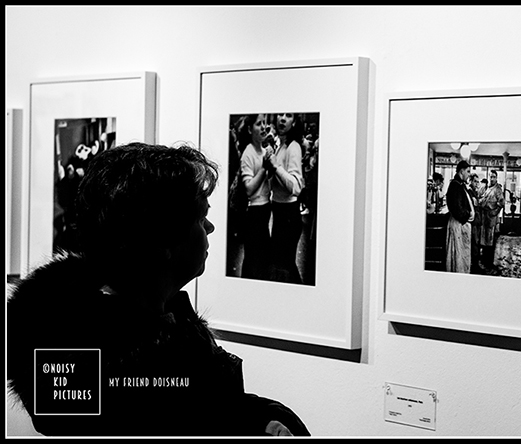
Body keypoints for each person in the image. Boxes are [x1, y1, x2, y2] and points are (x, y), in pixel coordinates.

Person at [7, 142, 310, 437]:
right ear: (163, 239)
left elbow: (210, 408)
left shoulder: (158, 319)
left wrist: (260, 419)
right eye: (199, 217)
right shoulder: (101, 362)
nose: (210, 228)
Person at [265, 113, 305, 284]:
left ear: (294, 122)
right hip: (281, 212)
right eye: (280, 115)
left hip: (288, 214)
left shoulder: (293, 147)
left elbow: (295, 187)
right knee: (281, 264)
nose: (282, 118)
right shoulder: (282, 145)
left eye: (288, 116)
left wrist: (275, 165)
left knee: (285, 265)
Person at [239, 114, 275, 281]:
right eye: (259, 124)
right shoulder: (248, 153)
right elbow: (249, 189)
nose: (263, 127)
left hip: (264, 208)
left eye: (265, 124)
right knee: (254, 258)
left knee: (264, 255)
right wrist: (264, 168)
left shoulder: (262, 150)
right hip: (254, 211)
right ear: (249, 129)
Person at [445, 161, 475, 273]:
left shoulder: (460, 185)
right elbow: (456, 209)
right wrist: (467, 216)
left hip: (461, 224)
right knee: (458, 256)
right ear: (461, 171)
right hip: (458, 225)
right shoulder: (455, 186)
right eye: (467, 171)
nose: (469, 174)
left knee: (462, 255)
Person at [479, 169, 504, 269]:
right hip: (484, 217)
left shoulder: (497, 189)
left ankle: (489, 263)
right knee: (485, 241)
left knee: (490, 241)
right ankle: (485, 261)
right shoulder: (489, 188)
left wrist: (494, 212)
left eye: (494, 177)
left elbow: (501, 202)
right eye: (491, 176)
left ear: (496, 178)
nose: (492, 178)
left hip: (491, 218)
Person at [467, 173, 484, 273]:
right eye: (475, 181)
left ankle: (475, 263)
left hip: (477, 222)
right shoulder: (469, 193)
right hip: (473, 222)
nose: (477, 184)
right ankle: (474, 265)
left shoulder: (475, 193)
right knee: (474, 243)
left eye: (478, 182)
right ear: (471, 181)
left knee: (476, 243)